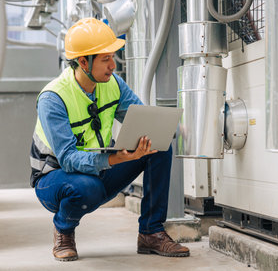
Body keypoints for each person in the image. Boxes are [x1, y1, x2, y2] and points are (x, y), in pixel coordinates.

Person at [29, 17, 190, 261]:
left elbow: (144, 121)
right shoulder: (53, 98)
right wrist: (115, 158)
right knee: (86, 188)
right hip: (54, 179)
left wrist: (174, 129)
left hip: (99, 169)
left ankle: (151, 232)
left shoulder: (112, 84)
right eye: (106, 59)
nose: (113, 65)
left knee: (158, 144)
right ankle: (64, 230)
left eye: (112, 57)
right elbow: (69, 159)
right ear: (83, 62)